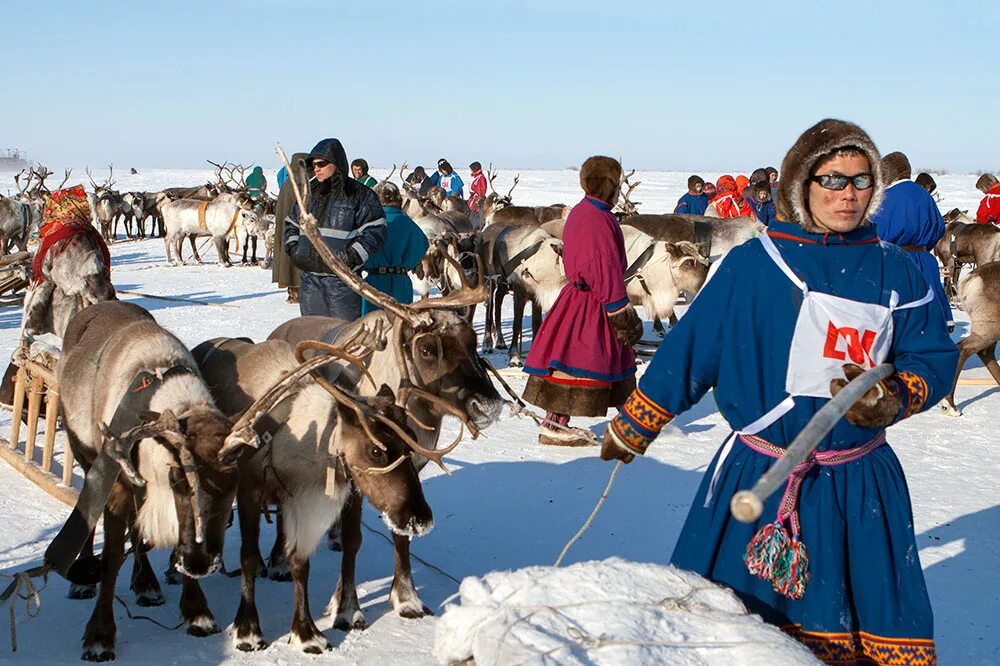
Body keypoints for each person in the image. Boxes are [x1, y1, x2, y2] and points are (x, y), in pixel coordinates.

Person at [600, 119, 958, 665]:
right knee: (730, 635)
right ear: (802, 184)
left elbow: (929, 355)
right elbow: (692, 350)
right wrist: (635, 424)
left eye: (862, 181)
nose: (848, 194)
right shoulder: (756, 264)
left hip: (858, 484)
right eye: (833, 180)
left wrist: (899, 393)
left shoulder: (899, 273)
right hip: (758, 476)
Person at [523, 156, 643, 447]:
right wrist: (619, 311)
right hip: (593, 302)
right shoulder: (597, 220)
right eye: (617, 184)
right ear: (608, 186)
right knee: (579, 361)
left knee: (602, 360)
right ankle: (555, 425)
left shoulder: (585, 211)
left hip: (581, 298)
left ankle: (631, 420)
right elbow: (602, 267)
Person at [284, 138, 387, 320]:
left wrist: (350, 258)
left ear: (336, 163)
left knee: (344, 337)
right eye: (313, 165)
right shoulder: (308, 193)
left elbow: (375, 231)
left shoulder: (359, 194)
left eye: (321, 164)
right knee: (313, 336)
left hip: (343, 282)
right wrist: (295, 251)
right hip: (310, 281)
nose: (316, 169)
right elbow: (291, 224)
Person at [870, 151, 953, 330]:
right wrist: (922, 248)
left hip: (894, 261)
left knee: (898, 315)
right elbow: (938, 228)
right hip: (924, 261)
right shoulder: (925, 196)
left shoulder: (886, 198)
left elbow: (876, 231)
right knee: (929, 311)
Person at [361, 182, 429, 314]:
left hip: (374, 283)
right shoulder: (408, 224)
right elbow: (422, 246)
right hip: (401, 283)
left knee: (373, 329)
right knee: (400, 329)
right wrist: (408, 264)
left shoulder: (369, 222)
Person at [273, 153, 307, 303]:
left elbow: (280, 211)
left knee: (288, 258)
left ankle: (292, 291)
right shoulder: (308, 183)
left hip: (287, 230)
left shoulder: (287, 185)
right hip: (306, 231)